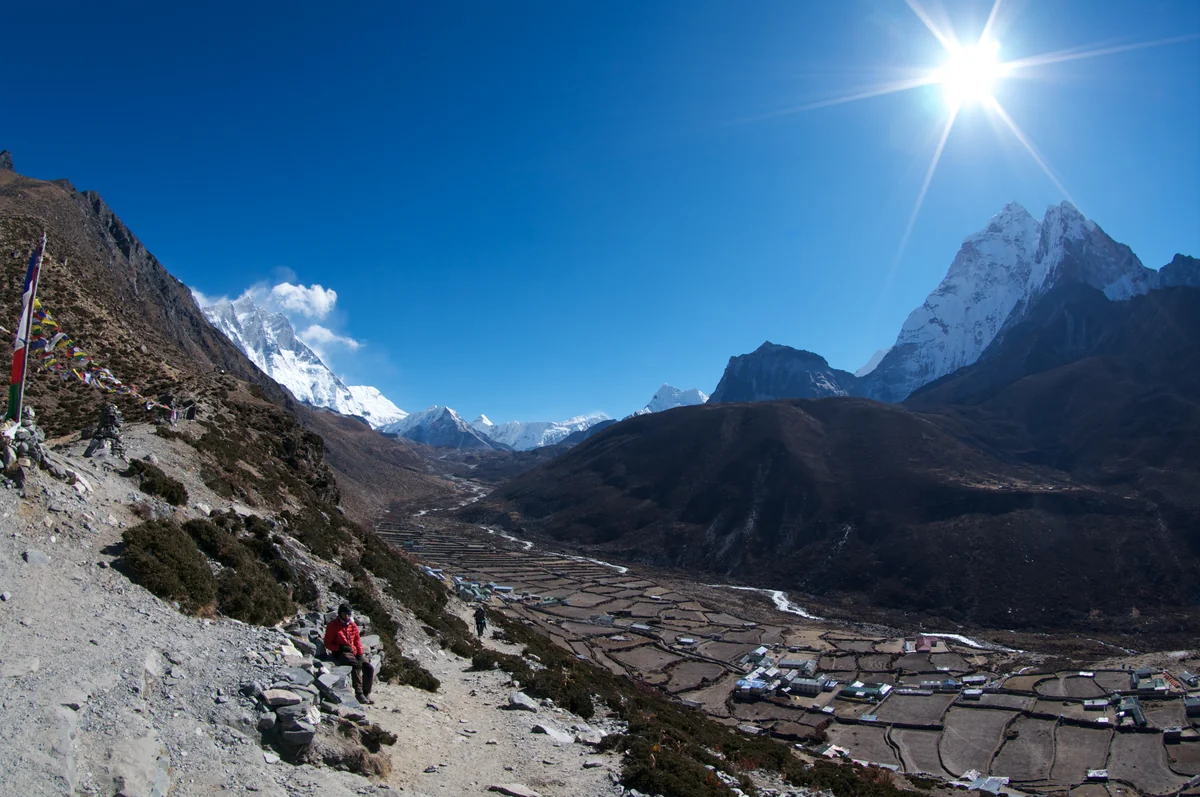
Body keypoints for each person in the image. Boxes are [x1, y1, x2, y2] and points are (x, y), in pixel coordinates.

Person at [323, 603, 375, 705]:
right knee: (355, 665)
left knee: (369, 667)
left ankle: (366, 692)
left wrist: (360, 654)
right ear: (339, 614)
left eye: (348, 614)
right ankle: (359, 693)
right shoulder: (333, 626)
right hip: (341, 652)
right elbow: (327, 643)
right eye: (344, 614)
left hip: (354, 651)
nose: (346, 616)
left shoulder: (352, 625)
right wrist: (339, 647)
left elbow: (357, 641)